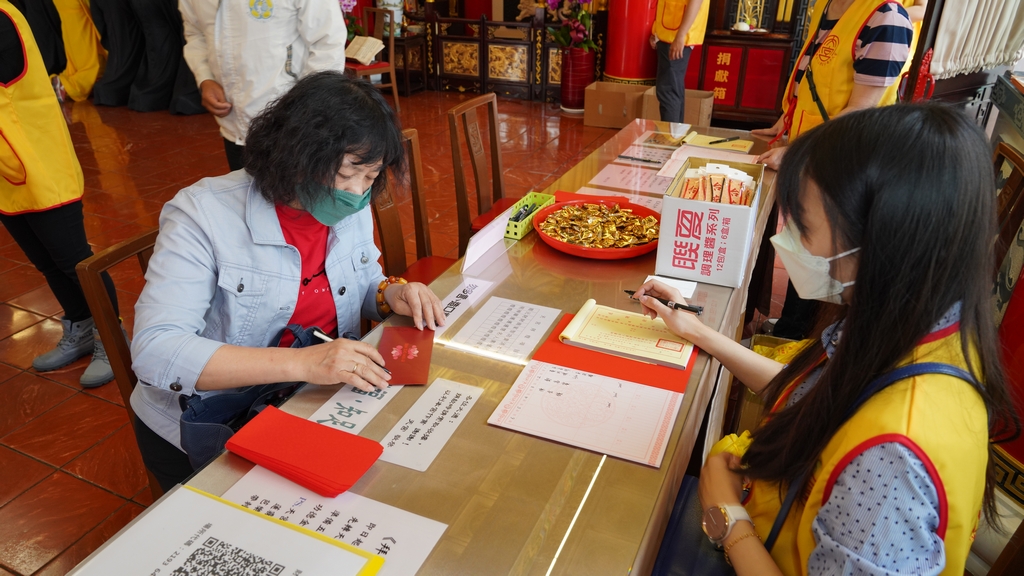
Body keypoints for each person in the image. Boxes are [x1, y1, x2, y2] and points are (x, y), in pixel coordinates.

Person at [639, 104, 1018, 575]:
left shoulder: (891, 462)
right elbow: (816, 396)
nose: (792, 242)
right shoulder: (929, 327)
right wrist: (699, 332)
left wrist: (726, 518)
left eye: (805, 226)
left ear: (876, 243)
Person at [130, 72, 444, 492]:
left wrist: (393, 293)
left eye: (370, 177)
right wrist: (306, 363)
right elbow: (156, 350)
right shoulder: (203, 215)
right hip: (212, 420)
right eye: (347, 174)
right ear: (298, 154)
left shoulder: (349, 205)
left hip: (304, 399)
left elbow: (361, 282)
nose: (356, 193)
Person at [0, 0, 122, 388]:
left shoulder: (3, 17)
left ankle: (111, 338)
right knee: (46, 262)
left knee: (75, 261)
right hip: (7, 173)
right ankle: (80, 327)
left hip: (38, 163)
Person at [179, 0, 347, 172]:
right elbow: (196, 33)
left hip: (291, 123)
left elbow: (328, 42)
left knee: (296, 187)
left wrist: (306, 108)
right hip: (234, 124)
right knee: (245, 187)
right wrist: (206, 78)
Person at [649, 0, 709, 124]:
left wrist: (680, 35)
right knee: (673, 88)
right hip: (668, 30)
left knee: (668, 91)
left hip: (675, 33)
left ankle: (669, 134)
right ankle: (675, 133)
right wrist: (656, 31)